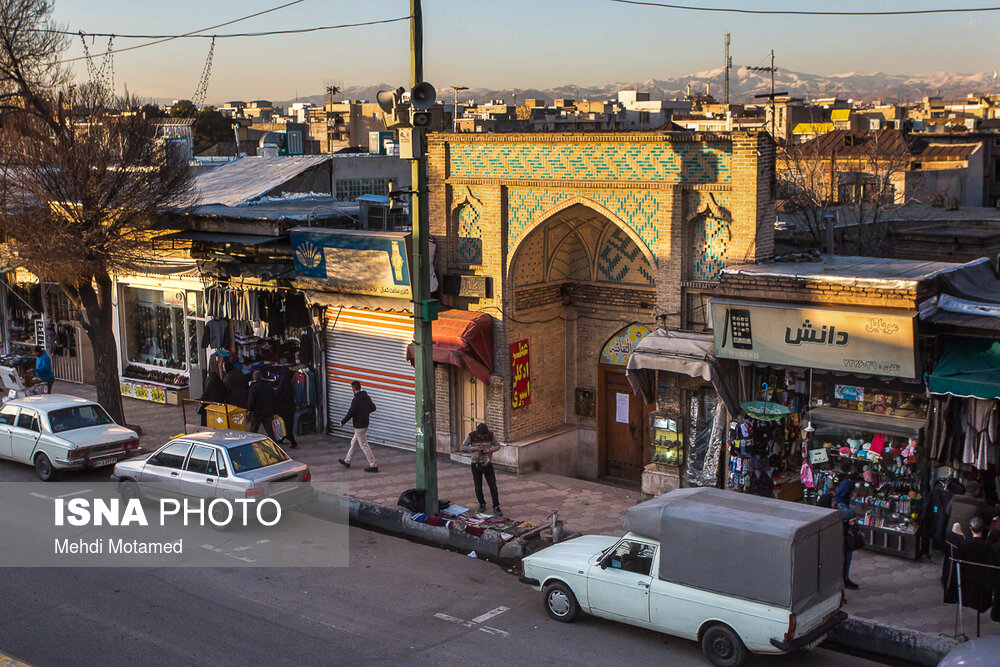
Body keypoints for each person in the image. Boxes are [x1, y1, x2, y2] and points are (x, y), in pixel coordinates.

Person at [461, 423, 502, 516]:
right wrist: (475, 448)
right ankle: (482, 503)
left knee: (493, 485)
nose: (483, 438)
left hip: (487, 463)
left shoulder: (491, 435)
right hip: (476, 463)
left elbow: (497, 446)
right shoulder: (471, 435)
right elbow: (463, 447)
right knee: (478, 485)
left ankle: (496, 506)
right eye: (481, 436)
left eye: (484, 436)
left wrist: (489, 450)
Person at [338, 380, 378, 473]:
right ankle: (347, 461)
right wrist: (364, 413)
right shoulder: (366, 397)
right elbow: (373, 408)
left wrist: (342, 422)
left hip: (359, 426)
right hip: (365, 424)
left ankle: (373, 465)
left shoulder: (356, 400)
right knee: (354, 443)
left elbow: (350, 413)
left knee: (364, 445)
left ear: (353, 388)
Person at [247, 371, 277, 440]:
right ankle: (275, 445)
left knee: (253, 431)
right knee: (270, 431)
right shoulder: (269, 386)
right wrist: (275, 411)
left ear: (254, 379)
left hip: (257, 413)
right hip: (268, 412)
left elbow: (251, 402)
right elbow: (274, 399)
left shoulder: (253, 388)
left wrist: (249, 410)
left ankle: (251, 445)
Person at [274, 372, 298, 448]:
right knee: (287, 426)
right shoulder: (290, 388)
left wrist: (276, 411)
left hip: (282, 411)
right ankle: (285, 439)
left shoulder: (280, 390)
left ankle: (292, 441)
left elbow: (277, 401)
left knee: (283, 426)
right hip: (290, 411)